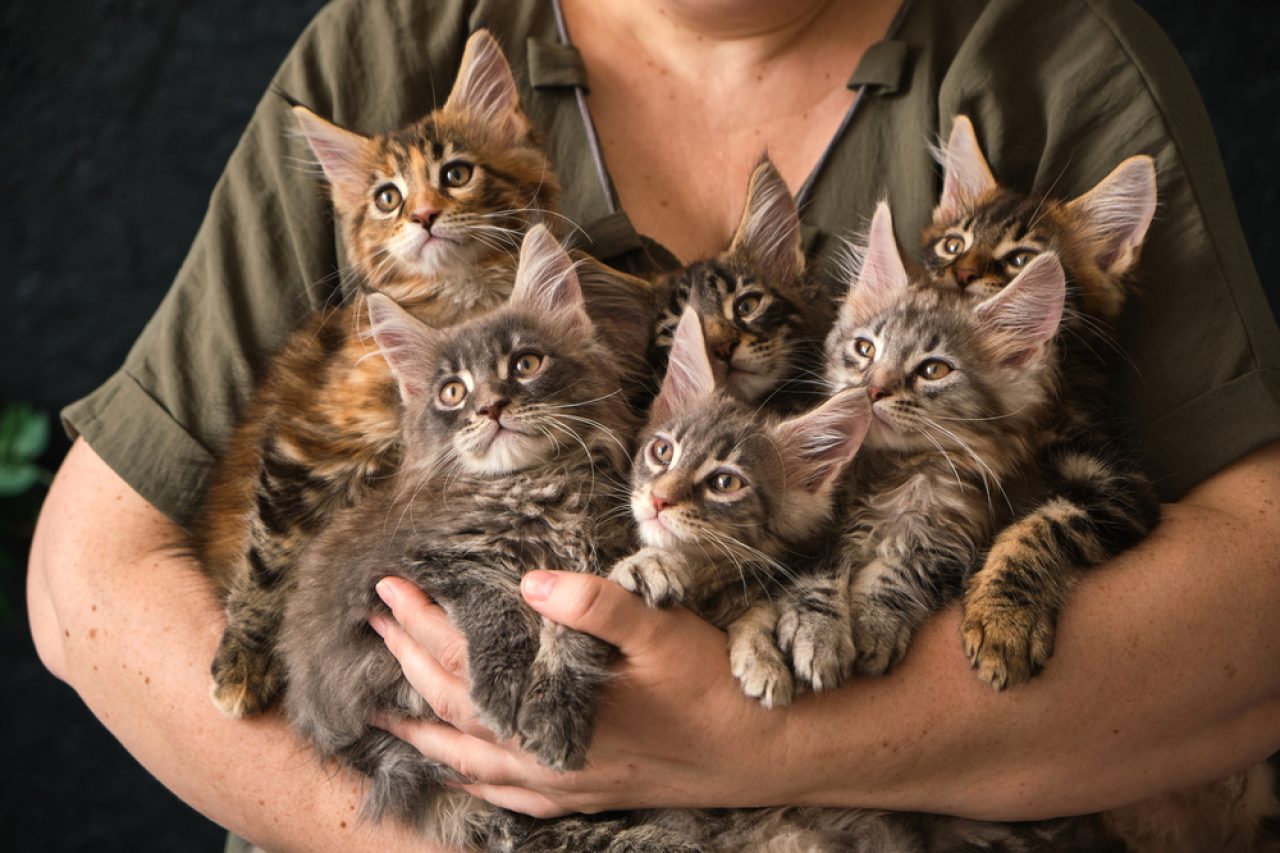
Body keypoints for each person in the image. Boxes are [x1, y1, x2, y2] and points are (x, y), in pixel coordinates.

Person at [27, 0, 1280, 851]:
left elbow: (1256, 595)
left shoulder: (1043, 58)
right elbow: (86, 584)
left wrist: (751, 748)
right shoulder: (394, 49)